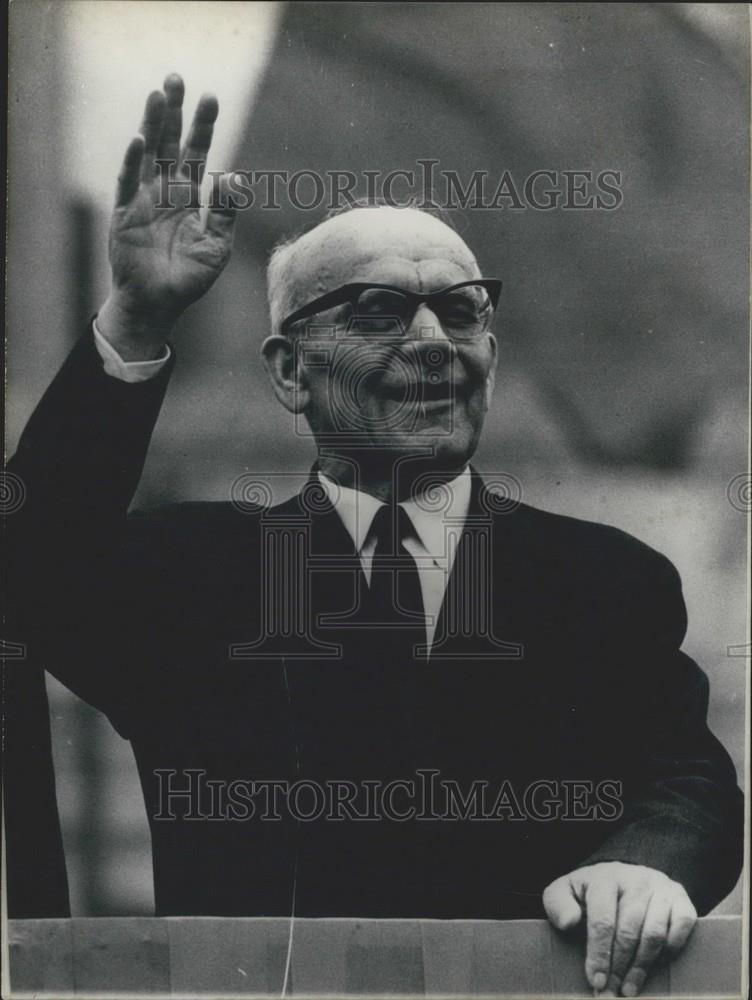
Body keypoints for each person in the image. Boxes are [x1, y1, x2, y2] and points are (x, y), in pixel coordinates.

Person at [7, 74, 743, 999]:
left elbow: (685, 783)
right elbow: (29, 569)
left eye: (463, 308)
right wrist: (138, 318)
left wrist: (644, 866)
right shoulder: (192, 580)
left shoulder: (600, 581)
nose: (434, 339)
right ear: (290, 372)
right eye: (380, 313)